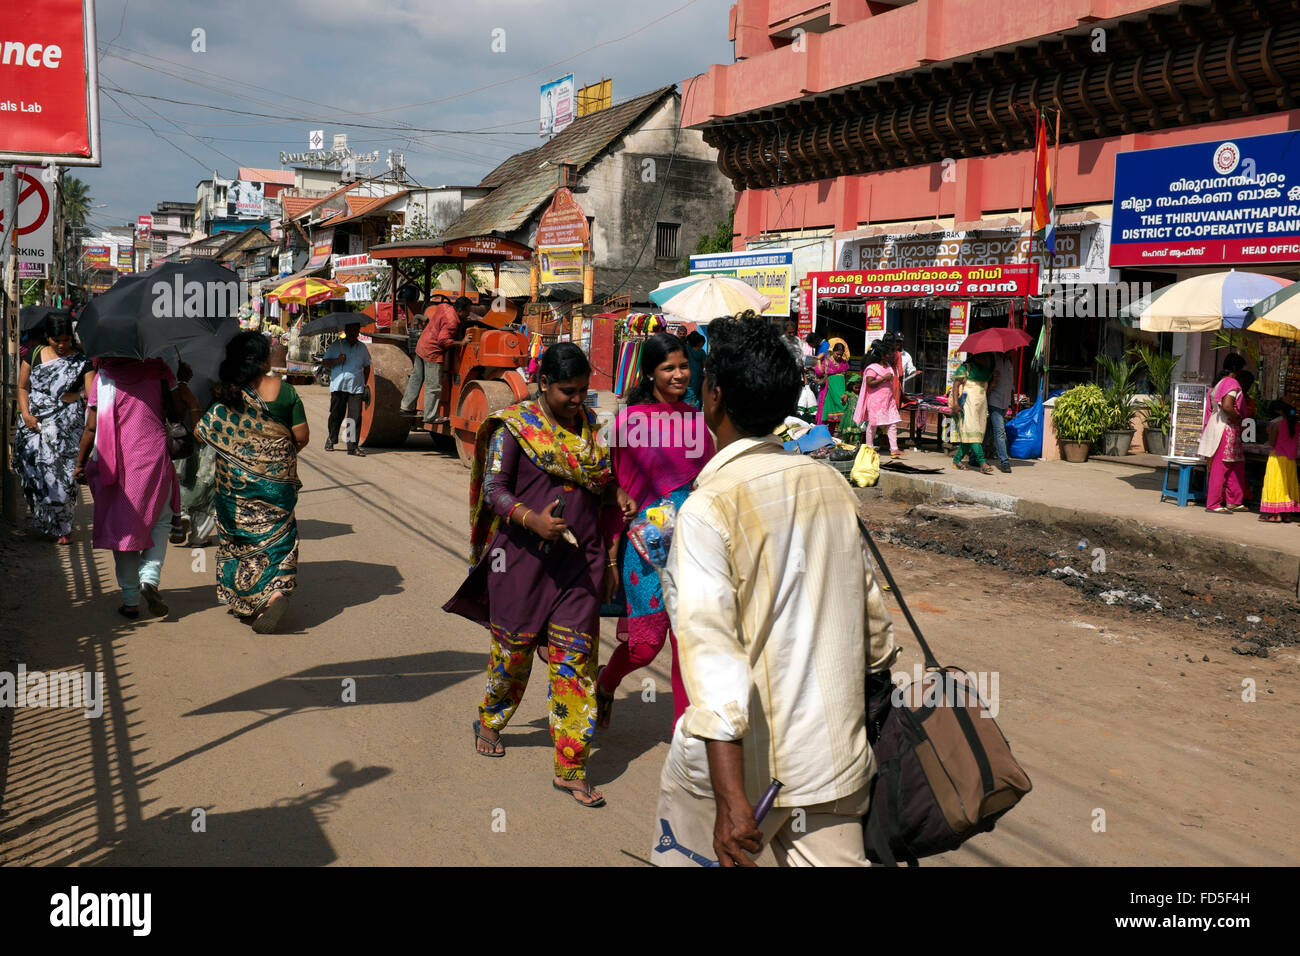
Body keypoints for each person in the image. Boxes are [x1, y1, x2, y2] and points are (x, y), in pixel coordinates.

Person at [652, 313, 898, 867]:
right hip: (832, 763)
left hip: (740, 775)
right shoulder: (830, 486)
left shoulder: (707, 508)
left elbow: (713, 662)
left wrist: (732, 798)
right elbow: (875, 633)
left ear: (712, 396)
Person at [443, 343, 633, 808]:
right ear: (544, 384)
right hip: (523, 561)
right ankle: (490, 718)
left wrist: (618, 502)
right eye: (568, 391)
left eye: (584, 392)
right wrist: (533, 520)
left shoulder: (596, 429)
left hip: (581, 565)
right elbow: (494, 491)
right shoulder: (515, 429)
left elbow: (604, 488)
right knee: (514, 655)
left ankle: (571, 765)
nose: (577, 400)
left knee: (576, 664)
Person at [596, 333, 714, 732]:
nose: (680, 374)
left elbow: (712, 481)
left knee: (687, 641)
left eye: (684, 366)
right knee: (645, 645)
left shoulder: (697, 422)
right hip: (642, 546)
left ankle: (686, 733)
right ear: (650, 373)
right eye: (669, 368)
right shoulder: (628, 423)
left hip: (693, 543)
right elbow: (611, 488)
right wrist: (611, 557)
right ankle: (605, 683)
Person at [195, 332, 309, 633]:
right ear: (264, 360)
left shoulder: (225, 393)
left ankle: (247, 602)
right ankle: (275, 593)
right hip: (278, 483)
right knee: (279, 537)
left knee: (239, 540)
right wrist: (273, 458)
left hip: (233, 485)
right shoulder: (285, 392)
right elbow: (301, 436)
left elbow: (202, 432)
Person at [74, 358, 192, 619]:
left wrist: (80, 463)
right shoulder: (160, 370)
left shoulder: (103, 376)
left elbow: (92, 426)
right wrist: (182, 379)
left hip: (116, 463)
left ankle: (130, 601)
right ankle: (149, 579)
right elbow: (178, 410)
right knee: (160, 522)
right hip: (154, 458)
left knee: (123, 531)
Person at [14, 314, 93, 544]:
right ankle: (47, 520)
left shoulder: (82, 361)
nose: (61, 345)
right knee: (35, 474)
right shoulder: (34, 354)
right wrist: (26, 415)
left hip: (68, 429)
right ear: (48, 337)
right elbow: (22, 386)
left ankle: (64, 527)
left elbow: (91, 395)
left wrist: (78, 396)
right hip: (35, 426)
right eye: (56, 340)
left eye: (66, 340)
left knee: (65, 478)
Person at [402, 296, 471, 426]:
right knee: (433, 386)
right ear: (460, 311)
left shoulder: (444, 307)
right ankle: (430, 416)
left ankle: (406, 406)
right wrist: (462, 342)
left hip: (422, 345)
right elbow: (443, 341)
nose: (468, 314)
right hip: (432, 352)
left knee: (416, 379)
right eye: (467, 311)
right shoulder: (452, 322)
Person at [1198, 359, 1250, 514]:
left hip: (1222, 426)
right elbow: (1227, 406)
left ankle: (1234, 500)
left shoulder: (1219, 382)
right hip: (1226, 427)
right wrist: (1238, 419)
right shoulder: (1231, 383)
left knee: (1236, 464)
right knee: (1222, 466)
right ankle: (1213, 503)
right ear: (1238, 370)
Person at [321, 322, 370, 455]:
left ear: (359, 331)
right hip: (339, 386)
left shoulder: (362, 348)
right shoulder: (337, 345)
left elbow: (367, 366)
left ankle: (352, 447)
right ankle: (332, 438)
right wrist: (337, 360)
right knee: (336, 414)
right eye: (351, 330)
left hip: (356, 387)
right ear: (346, 331)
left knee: (354, 417)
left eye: (356, 330)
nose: (354, 333)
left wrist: (364, 384)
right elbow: (325, 362)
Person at [854, 340, 903, 457]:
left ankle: (894, 449)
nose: (890, 356)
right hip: (876, 401)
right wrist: (884, 378)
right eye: (888, 354)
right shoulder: (872, 368)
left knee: (892, 423)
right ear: (881, 355)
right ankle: (869, 448)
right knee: (873, 425)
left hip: (888, 400)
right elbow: (869, 383)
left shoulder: (889, 366)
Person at [950, 352, 995, 474]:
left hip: (980, 407)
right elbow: (955, 386)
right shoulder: (965, 369)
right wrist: (955, 403)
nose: (985, 359)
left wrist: (994, 379)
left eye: (986, 357)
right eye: (983, 357)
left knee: (971, 435)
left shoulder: (986, 371)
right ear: (975, 357)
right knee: (972, 433)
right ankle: (982, 463)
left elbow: (988, 389)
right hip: (967, 406)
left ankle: (956, 460)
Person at [1259, 401, 1299, 523]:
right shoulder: (1296, 425)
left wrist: (1269, 431)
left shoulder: (1278, 425)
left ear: (1282, 412)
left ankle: (1275, 515)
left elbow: (1272, 442)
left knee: (1275, 485)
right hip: (1290, 460)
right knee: (1288, 486)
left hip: (1277, 459)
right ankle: (1287, 515)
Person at [812, 338, 851, 433]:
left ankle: (831, 435)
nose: (839, 356)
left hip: (840, 393)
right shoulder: (826, 361)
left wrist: (846, 392)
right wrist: (818, 360)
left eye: (841, 354)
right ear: (832, 351)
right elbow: (819, 372)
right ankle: (820, 435)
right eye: (837, 354)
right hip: (828, 391)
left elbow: (846, 378)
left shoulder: (844, 363)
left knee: (835, 417)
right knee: (825, 414)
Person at [986, 351, 1016, 473]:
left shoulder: (1009, 361)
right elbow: (986, 377)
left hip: (1005, 402)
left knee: (989, 431)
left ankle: (974, 457)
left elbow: (1011, 384)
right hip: (994, 400)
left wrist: (1013, 403)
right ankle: (1004, 461)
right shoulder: (992, 360)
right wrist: (992, 378)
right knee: (1000, 431)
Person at [685, 331, 707, 408]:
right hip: (697, 380)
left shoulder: (685, 349)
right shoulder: (701, 353)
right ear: (699, 342)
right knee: (696, 401)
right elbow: (705, 367)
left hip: (686, 380)